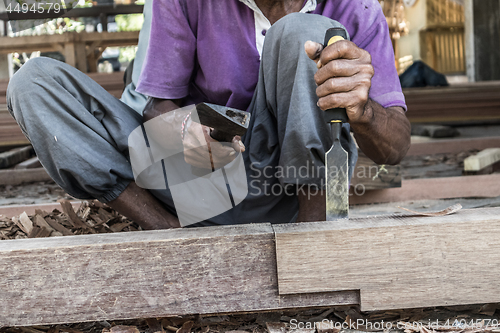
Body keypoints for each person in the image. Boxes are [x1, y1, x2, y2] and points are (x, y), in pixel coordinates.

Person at [7, 0, 411, 229]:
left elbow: (395, 148)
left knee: (303, 32)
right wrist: (183, 131)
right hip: (202, 183)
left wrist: (364, 112)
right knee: (34, 81)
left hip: (298, 192)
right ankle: (166, 235)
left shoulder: (357, 8)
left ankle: (313, 238)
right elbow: (156, 103)